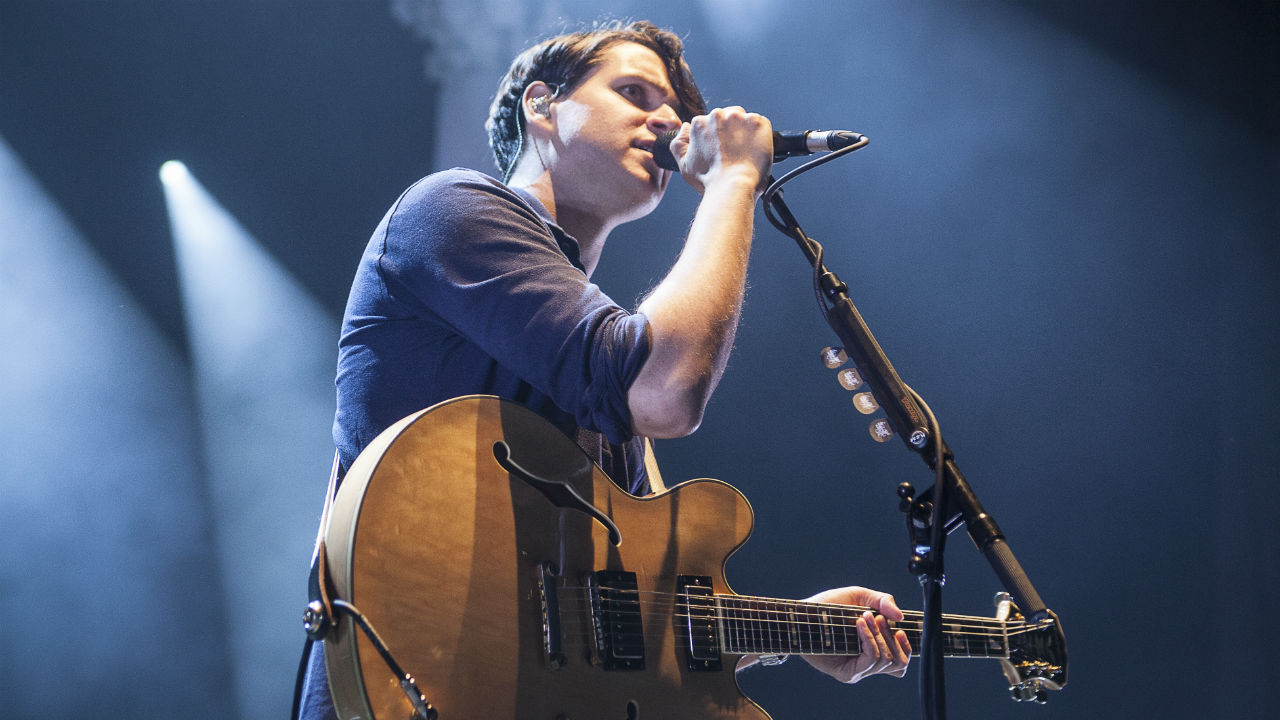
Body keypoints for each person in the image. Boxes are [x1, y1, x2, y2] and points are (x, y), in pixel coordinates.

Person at [297, 20, 911, 720]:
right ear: (541, 106)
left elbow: (613, 623)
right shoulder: (451, 211)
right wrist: (735, 180)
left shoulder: (598, 353)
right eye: (633, 91)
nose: (666, 121)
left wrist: (798, 630)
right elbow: (665, 390)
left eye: (675, 113)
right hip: (405, 690)